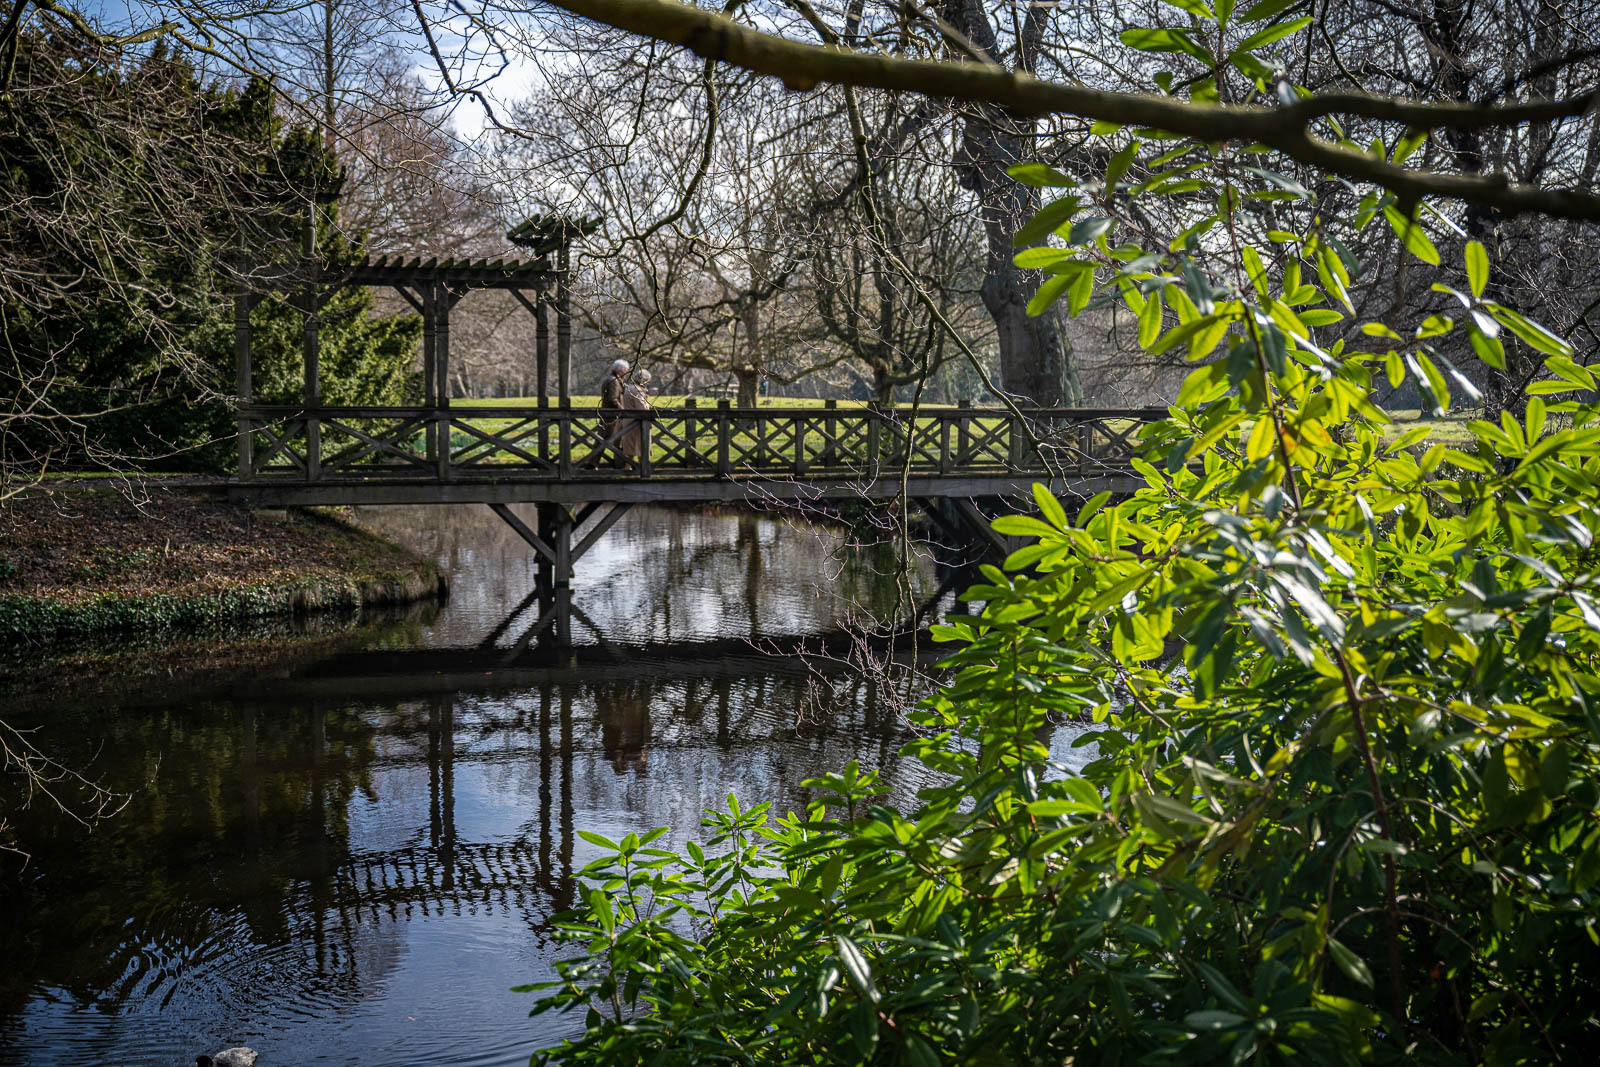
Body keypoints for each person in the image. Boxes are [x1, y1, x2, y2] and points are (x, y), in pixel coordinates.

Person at [595, 359, 629, 467]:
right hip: (611, 418)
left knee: (607, 441)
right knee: (605, 442)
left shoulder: (612, 379)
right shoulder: (614, 381)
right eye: (626, 371)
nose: (626, 373)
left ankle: (620, 464)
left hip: (610, 416)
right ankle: (592, 463)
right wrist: (622, 410)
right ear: (620, 370)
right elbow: (613, 399)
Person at [620, 368, 653, 463]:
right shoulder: (638, 391)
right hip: (637, 424)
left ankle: (630, 468)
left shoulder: (629, 388)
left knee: (631, 449)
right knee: (641, 447)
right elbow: (641, 409)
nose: (648, 383)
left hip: (629, 422)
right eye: (647, 381)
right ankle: (643, 470)